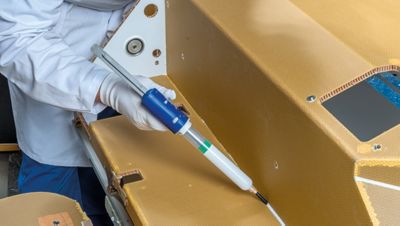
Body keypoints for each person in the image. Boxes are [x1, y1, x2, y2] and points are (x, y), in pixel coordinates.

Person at [0, 1, 175, 225]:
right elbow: (16, 37)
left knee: (113, 190)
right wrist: (105, 88)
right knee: (50, 204)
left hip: (134, 77)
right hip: (53, 75)